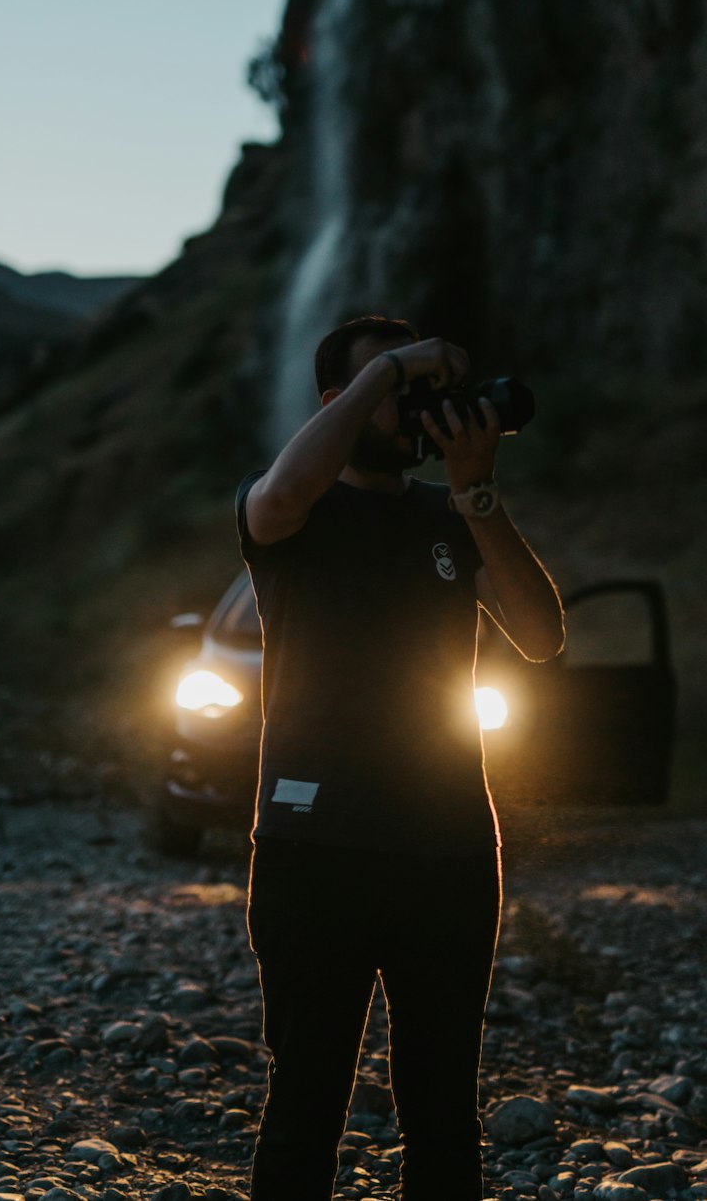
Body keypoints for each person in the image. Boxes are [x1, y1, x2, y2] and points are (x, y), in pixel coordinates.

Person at [235, 315, 565, 1201]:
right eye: (396, 391)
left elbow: (541, 635)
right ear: (341, 403)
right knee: (305, 1102)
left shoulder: (448, 515)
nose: (418, 406)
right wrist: (391, 367)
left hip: (451, 851)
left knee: (445, 1109)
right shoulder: (289, 508)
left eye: (426, 390)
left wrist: (478, 493)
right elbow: (283, 489)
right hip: (315, 847)